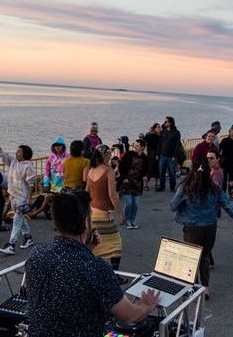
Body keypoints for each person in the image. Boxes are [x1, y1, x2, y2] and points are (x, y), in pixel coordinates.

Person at [25, 190, 159, 335]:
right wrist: (146, 305)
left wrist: (87, 249)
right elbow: (130, 316)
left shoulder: (37, 254)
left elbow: (65, 270)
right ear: (84, 222)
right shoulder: (95, 267)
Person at [170, 158, 233, 300]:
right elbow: (227, 204)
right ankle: (205, 289)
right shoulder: (214, 186)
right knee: (204, 256)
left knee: (190, 258)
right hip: (210, 226)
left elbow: (173, 206)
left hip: (193, 227)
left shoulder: (186, 187)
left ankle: (193, 289)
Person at [86, 144, 128, 284]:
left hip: (92, 213)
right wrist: (121, 214)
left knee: (94, 245)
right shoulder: (109, 171)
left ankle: (91, 275)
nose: (110, 157)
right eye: (109, 155)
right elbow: (112, 195)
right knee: (116, 245)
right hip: (104, 215)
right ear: (104, 157)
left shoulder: (90, 170)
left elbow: (87, 192)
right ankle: (114, 275)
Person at [0, 132, 36, 255]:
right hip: (13, 196)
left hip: (22, 198)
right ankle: (28, 237)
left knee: (17, 220)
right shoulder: (13, 161)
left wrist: (29, 199)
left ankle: (11, 244)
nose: (16, 153)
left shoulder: (28, 167)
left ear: (24, 154)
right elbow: (2, 153)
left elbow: (31, 184)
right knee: (20, 219)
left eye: (19, 151)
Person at [27, 137, 70, 219]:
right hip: (54, 185)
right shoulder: (51, 158)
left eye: (59, 145)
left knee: (49, 198)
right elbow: (47, 172)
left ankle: (35, 212)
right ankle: (33, 211)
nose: (57, 147)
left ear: (63, 146)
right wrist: (46, 184)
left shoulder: (68, 158)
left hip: (63, 186)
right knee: (41, 198)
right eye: (56, 146)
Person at [117, 139, 149, 230]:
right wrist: (124, 178)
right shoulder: (129, 154)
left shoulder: (145, 158)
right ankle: (127, 220)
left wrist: (145, 176)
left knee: (135, 204)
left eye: (137, 146)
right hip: (127, 182)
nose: (135, 147)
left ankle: (132, 220)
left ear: (142, 147)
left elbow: (146, 169)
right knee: (129, 203)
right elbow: (121, 166)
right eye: (134, 145)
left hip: (137, 183)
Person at [156, 116, 181, 192]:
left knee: (172, 173)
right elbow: (160, 143)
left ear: (170, 123)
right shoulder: (163, 131)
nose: (164, 123)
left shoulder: (176, 132)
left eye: (166, 121)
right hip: (162, 155)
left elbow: (177, 145)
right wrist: (157, 154)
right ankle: (162, 186)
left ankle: (172, 187)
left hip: (171, 156)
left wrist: (175, 156)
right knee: (161, 172)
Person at [219, 126, 233, 200]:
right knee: (224, 180)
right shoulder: (224, 140)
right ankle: (223, 194)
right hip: (224, 163)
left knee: (231, 179)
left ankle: (231, 194)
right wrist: (219, 160)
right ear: (230, 131)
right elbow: (219, 150)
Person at [143, 123, 162, 191]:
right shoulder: (153, 136)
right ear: (155, 128)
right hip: (152, 153)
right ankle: (148, 185)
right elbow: (144, 141)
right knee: (151, 168)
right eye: (158, 127)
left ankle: (154, 184)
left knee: (154, 168)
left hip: (154, 153)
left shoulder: (158, 136)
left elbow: (144, 140)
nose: (160, 129)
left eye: (160, 127)